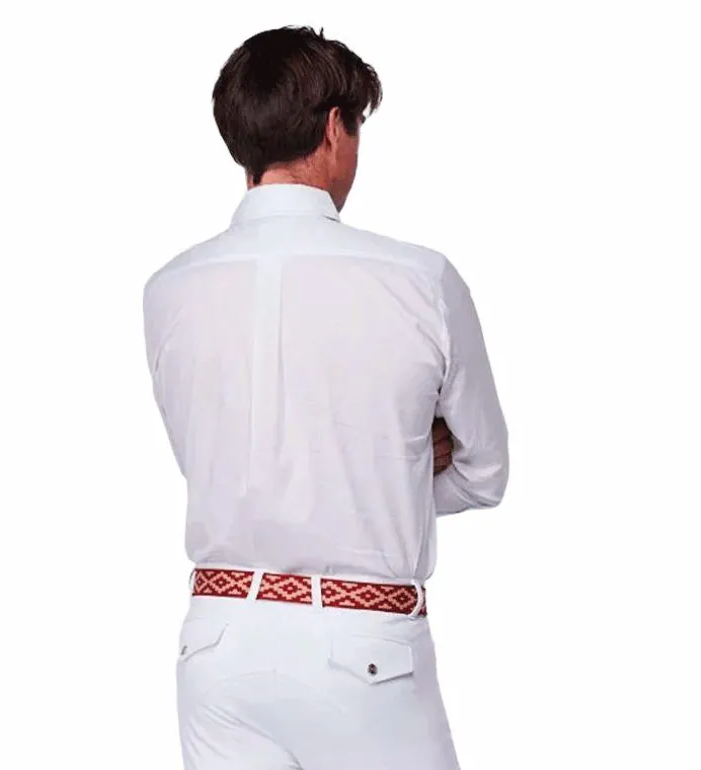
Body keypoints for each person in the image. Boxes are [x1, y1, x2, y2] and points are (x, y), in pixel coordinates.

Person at [142, 25, 509, 770]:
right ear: (335, 128)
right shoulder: (420, 280)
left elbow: (217, 463)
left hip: (215, 643)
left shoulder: (168, 289)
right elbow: (486, 473)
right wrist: (396, 465)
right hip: (362, 651)